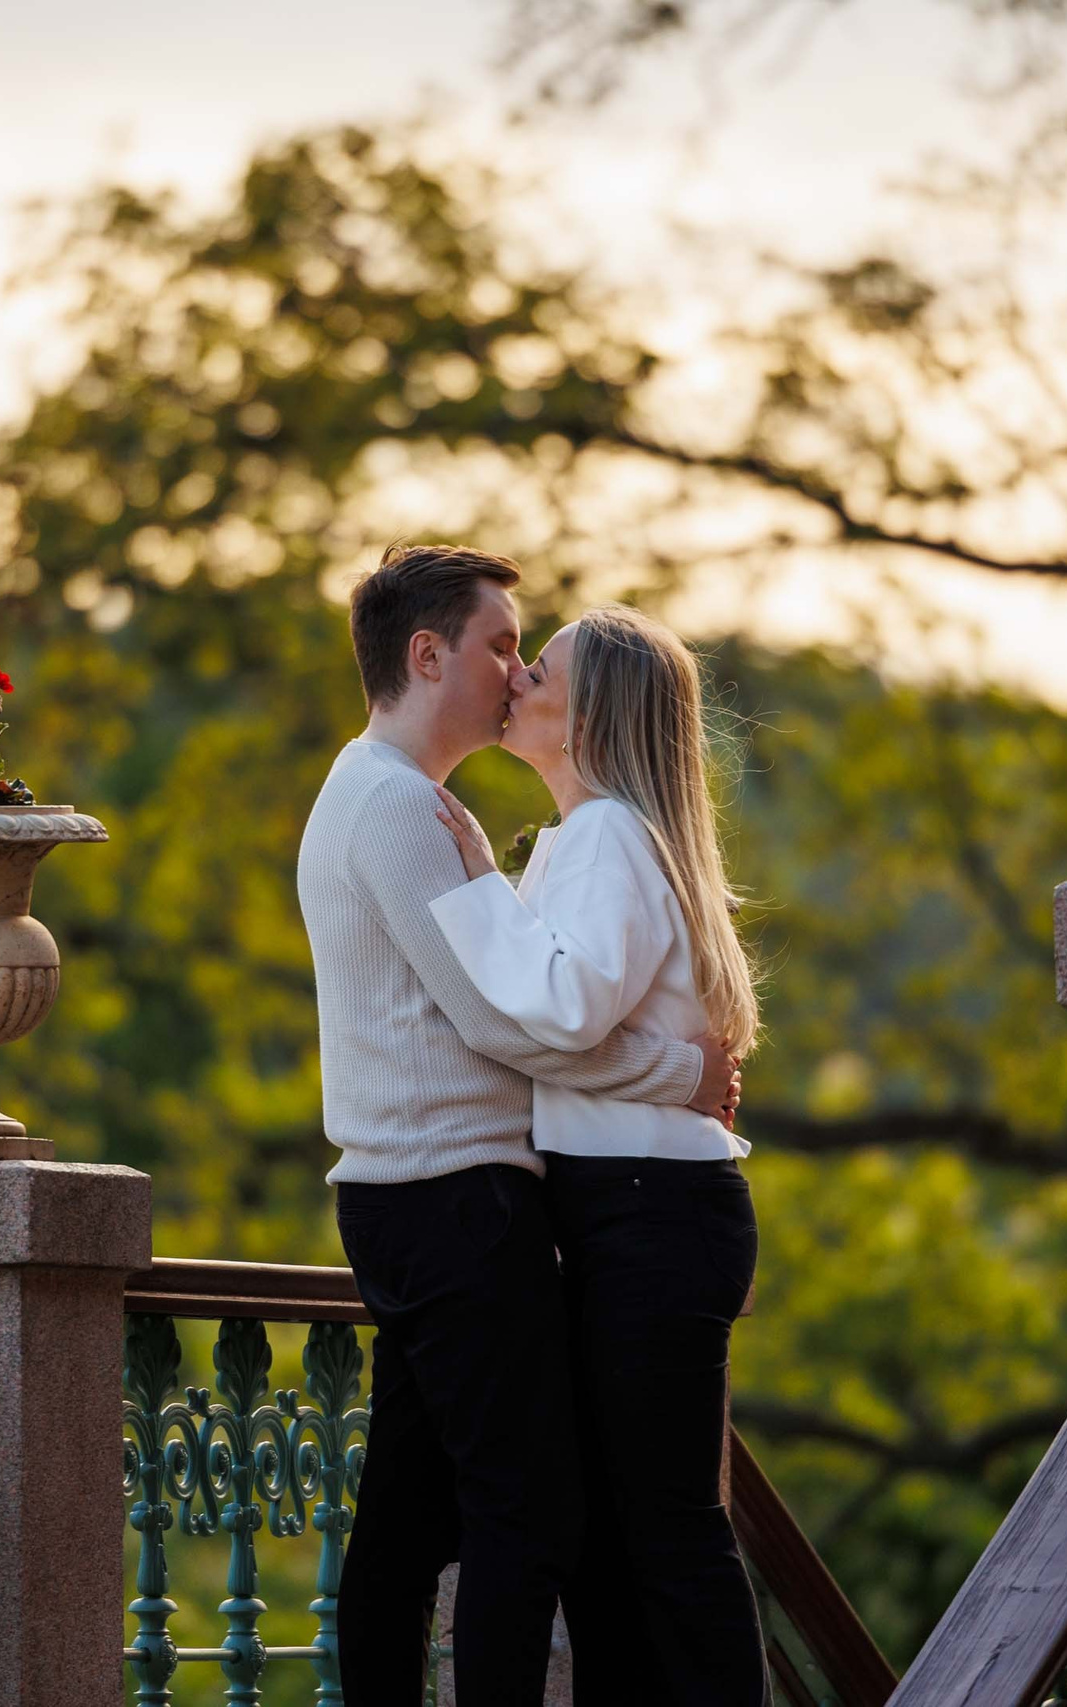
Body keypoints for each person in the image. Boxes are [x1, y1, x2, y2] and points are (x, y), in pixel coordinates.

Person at [297, 545, 741, 1707]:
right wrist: (676, 1074)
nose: (512, 673)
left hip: (450, 1193)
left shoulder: (423, 806)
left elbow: (515, 1000)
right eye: (503, 647)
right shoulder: (398, 807)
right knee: (529, 1513)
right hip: (451, 1198)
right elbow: (508, 1023)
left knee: (416, 1506)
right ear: (426, 654)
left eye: (530, 657)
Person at [427, 605, 769, 1707]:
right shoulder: (595, 838)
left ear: (596, 715)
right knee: (627, 1536)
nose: (518, 677)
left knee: (667, 1535)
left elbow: (562, 1012)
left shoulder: (612, 834)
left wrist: (469, 895)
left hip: (648, 1212)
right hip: (631, 1207)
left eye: (545, 669)